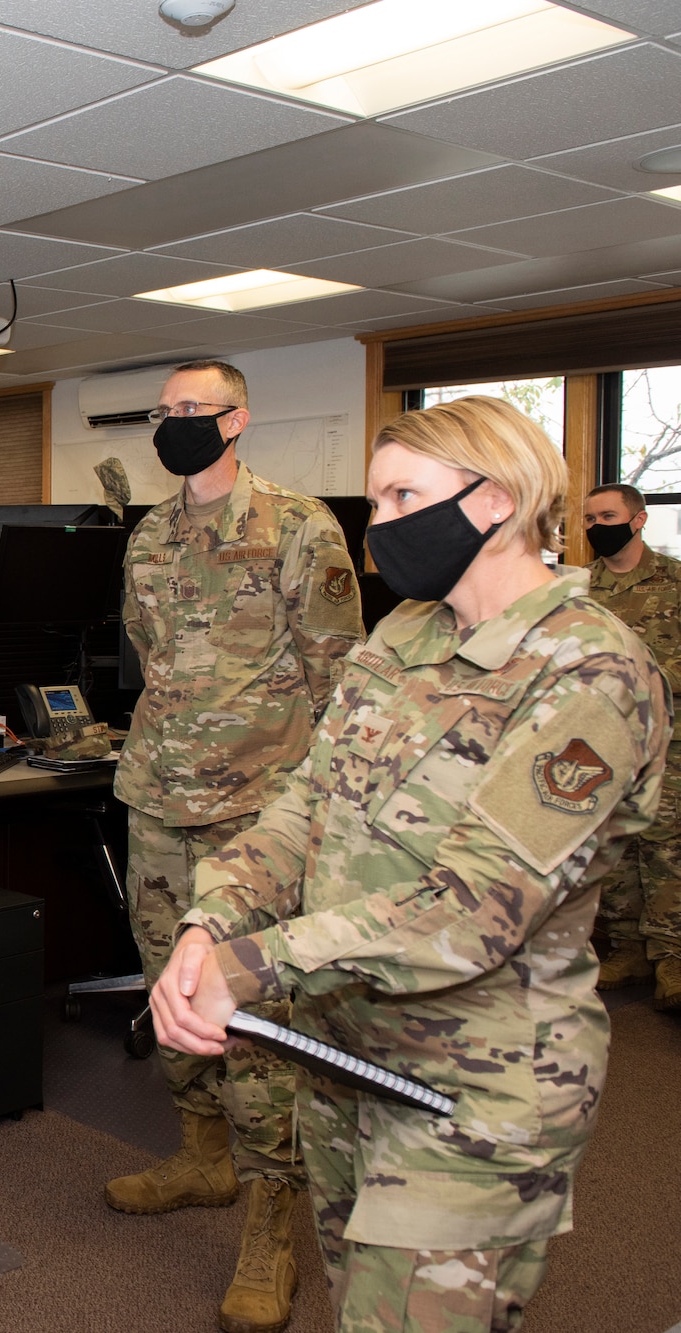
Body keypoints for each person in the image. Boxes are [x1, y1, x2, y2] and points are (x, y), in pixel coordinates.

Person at [153, 396, 669, 1332]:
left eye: (403, 496)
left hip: (473, 1098)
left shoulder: (588, 671)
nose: (381, 523)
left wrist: (252, 966)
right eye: (379, 499)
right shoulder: (404, 638)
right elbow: (303, 808)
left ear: (499, 499)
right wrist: (211, 918)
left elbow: (473, 912)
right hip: (348, 1059)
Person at [112, 359, 364, 1333]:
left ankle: (269, 1229)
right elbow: (150, 655)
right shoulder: (144, 539)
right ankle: (201, 1155)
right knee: (165, 993)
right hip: (155, 804)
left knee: (254, 1027)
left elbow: (338, 679)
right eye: (163, 411)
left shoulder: (300, 529)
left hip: (257, 820)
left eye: (194, 410)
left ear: (237, 419)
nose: (176, 424)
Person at [580, 483, 681, 1008]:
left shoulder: (674, 580)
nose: (599, 527)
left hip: (667, 739)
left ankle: (671, 957)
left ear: (638, 520)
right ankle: (626, 947)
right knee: (612, 844)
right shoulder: (580, 591)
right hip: (604, 739)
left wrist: (647, 677)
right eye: (591, 519)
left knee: (666, 848)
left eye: (609, 516)